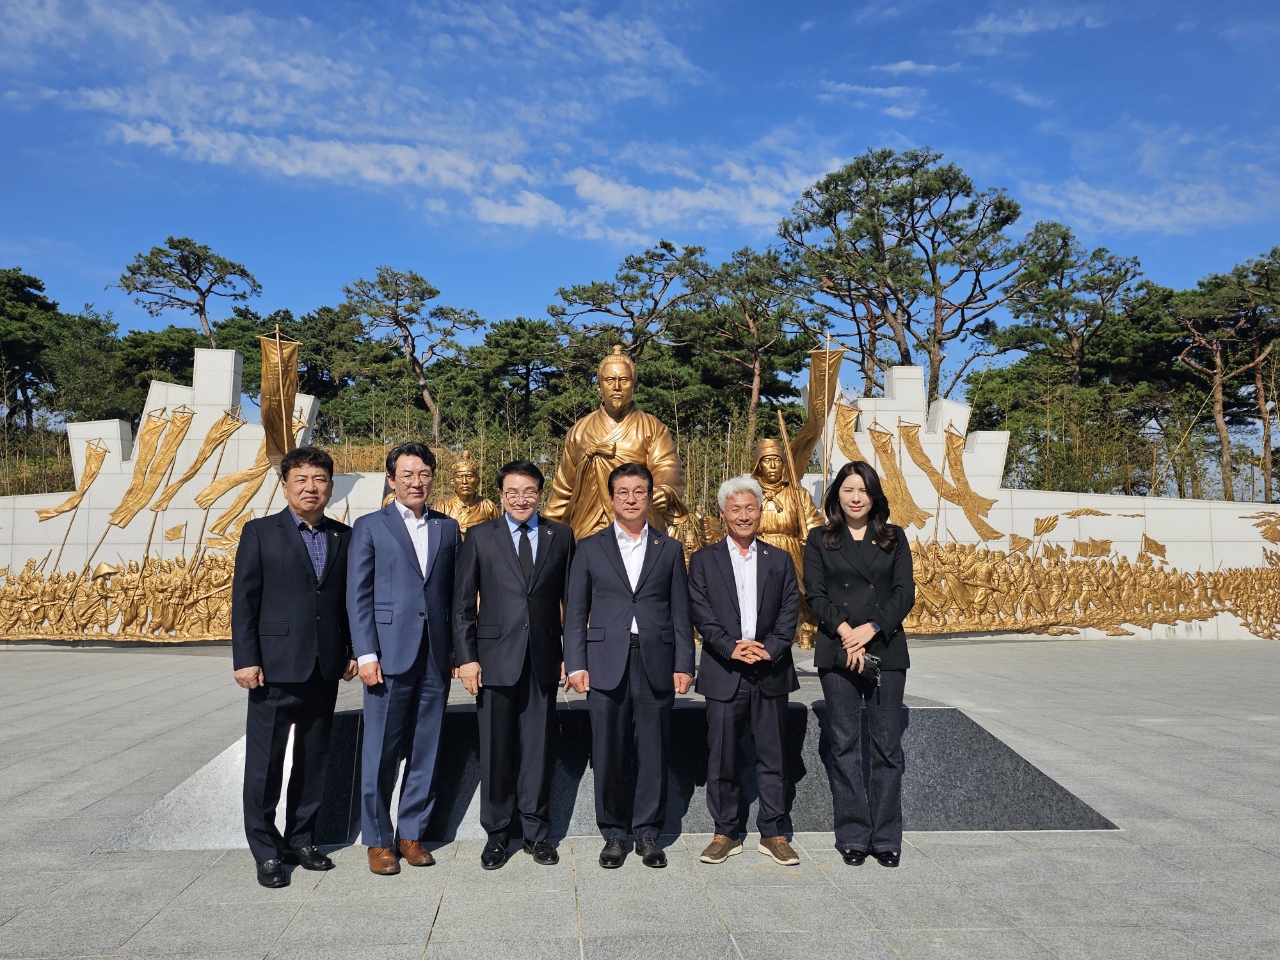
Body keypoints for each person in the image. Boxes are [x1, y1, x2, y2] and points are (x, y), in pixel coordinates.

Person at [231, 446, 357, 888]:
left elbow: (347, 602)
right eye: (301, 479)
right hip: (273, 668)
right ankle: (266, 850)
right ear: (285, 486)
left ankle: (302, 839)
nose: (310, 488)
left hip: (325, 666)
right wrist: (246, 658)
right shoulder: (260, 532)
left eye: (319, 479)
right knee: (264, 764)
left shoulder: (343, 536)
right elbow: (244, 601)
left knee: (313, 759)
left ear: (331, 487)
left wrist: (352, 649)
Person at [563, 462, 695, 868]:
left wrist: (685, 664)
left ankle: (648, 833)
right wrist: (575, 663)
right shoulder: (590, 547)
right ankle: (614, 834)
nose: (631, 499)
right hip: (605, 662)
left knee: (653, 751)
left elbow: (681, 612)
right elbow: (575, 612)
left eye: (639, 491)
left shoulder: (668, 548)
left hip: (656, 660)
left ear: (649, 496)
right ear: (611, 498)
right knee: (608, 751)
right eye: (623, 492)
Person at [453, 460, 575, 870]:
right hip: (493, 660)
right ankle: (497, 834)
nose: (521, 499)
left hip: (543, 659)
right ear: (501, 495)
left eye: (528, 492)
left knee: (539, 749)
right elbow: (462, 604)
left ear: (540, 493)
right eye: (512, 492)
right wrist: (467, 659)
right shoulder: (480, 536)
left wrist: (570, 656)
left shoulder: (561, 535)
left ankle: (536, 833)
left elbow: (572, 603)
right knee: (496, 750)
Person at [348, 441, 460, 875]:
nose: (417, 482)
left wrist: (457, 651)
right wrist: (365, 653)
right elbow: (358, 595)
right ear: (391, 479)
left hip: (434, 655)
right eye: (407, 475)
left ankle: (411, 833)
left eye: (424, 474)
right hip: (387, 654)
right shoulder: (369, 526)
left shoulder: (447, 528)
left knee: (426, 748)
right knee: (380, 750)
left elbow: (455, 595)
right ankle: (378, 840)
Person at [803, 461, 915, 868]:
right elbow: (815, 594)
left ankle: (885, 838)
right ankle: (852, 835)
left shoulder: (894, 538)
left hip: (885, 647)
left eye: (863, 490)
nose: (855, 498)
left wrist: (871, 628)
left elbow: (904, 593)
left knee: (887, 747)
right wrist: (847, 631)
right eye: (848, 490)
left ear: (874, 496)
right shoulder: (820, 539)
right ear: (837, 495)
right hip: (837, 649)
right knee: (845, 744)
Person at [688, 475, 801, 867]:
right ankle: (725, 832)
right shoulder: (704, 560)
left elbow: (790, 609)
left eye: (750, 508)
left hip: (770, 671)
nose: (743, 515)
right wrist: (730, 646)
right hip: (724, 670)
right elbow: (700, 611)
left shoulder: (779, 559)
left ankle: (773, 832)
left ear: (760, 511)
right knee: (722, 757)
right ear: (723, 514)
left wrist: (770, 648)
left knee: (774, 757)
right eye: (735, 508)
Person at [544, 346, 692, 542]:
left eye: (624, 380)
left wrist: (664, 490)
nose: (616, 387)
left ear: (634, 386)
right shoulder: (579, 431)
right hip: (587, 529)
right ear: (599, 387)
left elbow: (666, 466)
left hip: (636, 527)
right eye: (609, 380)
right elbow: (563, 489)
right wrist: (547, 531)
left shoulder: (652, 427)